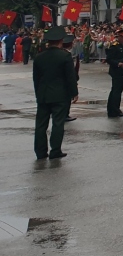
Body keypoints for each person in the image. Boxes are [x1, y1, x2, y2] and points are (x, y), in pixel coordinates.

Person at [33, 26, 78, 161]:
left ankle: (40, 152)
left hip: (43, 94)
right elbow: (70, 77)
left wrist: (38, 93)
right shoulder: (65, 56)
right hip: (60, 95)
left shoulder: (39, 57)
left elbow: (36, 78)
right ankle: (55, 150)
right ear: (60, 41)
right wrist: (74, 93)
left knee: (41, 125)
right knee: (58, 123)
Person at [105, 27, 123, 118]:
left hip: (122, 71)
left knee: (117, 91)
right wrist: (118, 63)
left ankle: (114, 109)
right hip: (116, 71)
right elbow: (109, 59)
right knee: (116, 91)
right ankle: (114, 110)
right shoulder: (114, 46)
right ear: (119, 37)